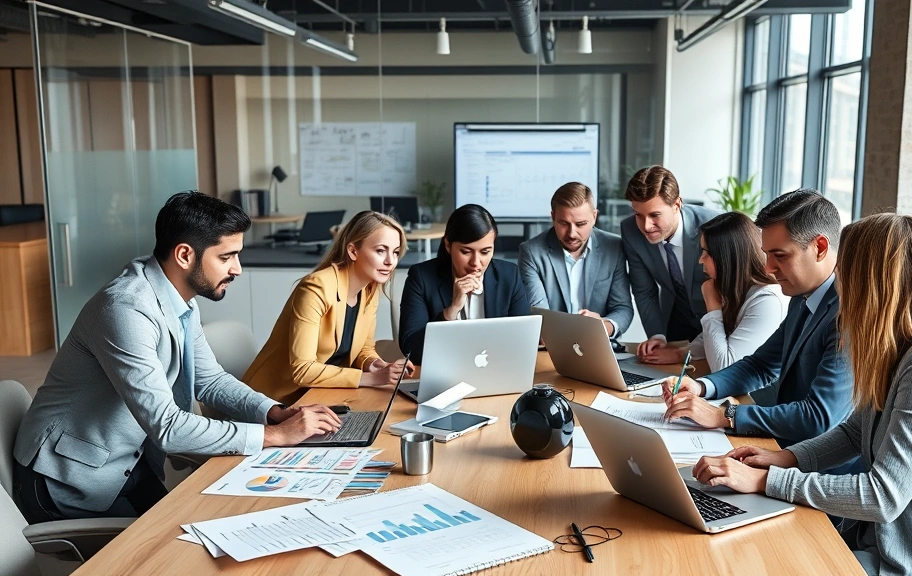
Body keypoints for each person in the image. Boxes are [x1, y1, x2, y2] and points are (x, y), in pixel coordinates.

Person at [689, 214, 912, 576]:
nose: (839, 288)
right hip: (897, 541)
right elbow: (854, 432)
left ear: (874, 284)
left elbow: (884, 496)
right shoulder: (905, 347)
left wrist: (765, 481)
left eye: (844, 276)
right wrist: (783, 458)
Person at [12, 192, 341, 523]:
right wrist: (273, 437)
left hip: (124, 464)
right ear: (185, 255)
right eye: (227, 257)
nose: (237, 269)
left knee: (196, 524)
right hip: (68, 480)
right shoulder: (125, 309)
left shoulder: (178, 296)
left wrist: (275, 413)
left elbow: (210, 380)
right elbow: (166, 425)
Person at [662, 190, 853, 452]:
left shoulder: (849, 313)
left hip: (817, 467)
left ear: (819, 247)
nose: (768, 268)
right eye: (767, 254)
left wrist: (724, 415)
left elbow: (818, 417)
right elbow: (761, 365)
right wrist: (701, 386)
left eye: (780, 256)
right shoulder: (802, 294)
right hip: (784, 447)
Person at [243, 211, 414, 406]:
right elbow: (302, 370)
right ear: (353, 251)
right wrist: (373, 379)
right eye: (381, 250)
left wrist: (378, 366)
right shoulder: (316, 288)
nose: (390, 262)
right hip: (272, 402)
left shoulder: (369, 290)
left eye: (395, 252)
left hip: (318, 398)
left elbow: (363, 350)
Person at [399, 204, 530, 364]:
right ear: (448, 245)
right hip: (443, 371)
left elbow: (523, 341)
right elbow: (411, 349)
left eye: (485, 252)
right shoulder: (421, 277)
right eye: (466, 252)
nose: (476, 263)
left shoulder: (509, 276)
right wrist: (451, 310)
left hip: (497, 370)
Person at [619, 166, 720, 363]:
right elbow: (644, 290)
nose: (646, 226)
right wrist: (657, 335)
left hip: (717, 321)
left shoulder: (714, 225)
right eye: (638, 214)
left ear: (677, 204)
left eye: (655, 215)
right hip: (675, 320)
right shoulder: (630, 230)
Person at [518, 182, 633, 338]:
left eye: (581, 224)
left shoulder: (614, 248)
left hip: (598, 345)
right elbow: (539, 315)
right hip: (553, 346)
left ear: (594, 217)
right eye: (564, 223)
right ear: (553, 217)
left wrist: (604, 327)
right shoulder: (532, 252)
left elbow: (623, 308)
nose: (572, 234)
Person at [684, 211, 788, 371]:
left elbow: (725, 367)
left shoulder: (767, 300)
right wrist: (681, 354)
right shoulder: (737, 289)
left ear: (728, 257)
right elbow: (713, 340)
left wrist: (713, 306)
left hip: (757, 395)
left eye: (707, 252)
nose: (700, 260)